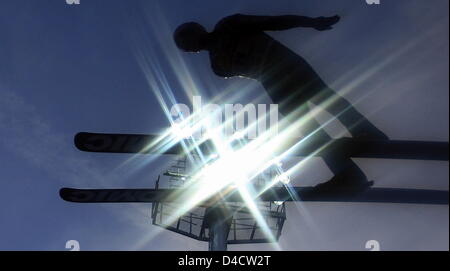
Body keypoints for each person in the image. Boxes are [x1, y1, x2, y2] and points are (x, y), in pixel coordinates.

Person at [173, 14, 388, 192]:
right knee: (307, 126)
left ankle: (367, 134)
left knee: (327, 100)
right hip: (273, 81)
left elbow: (275, 21)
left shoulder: (229, 25)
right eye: (186, 45)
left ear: (197, 31)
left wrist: (310, 22)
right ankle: (347, 173)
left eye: (188, 39)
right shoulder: (217, 66)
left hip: (288, 66)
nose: (192, 45)